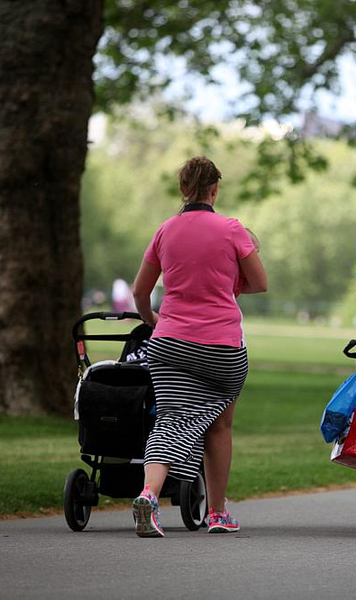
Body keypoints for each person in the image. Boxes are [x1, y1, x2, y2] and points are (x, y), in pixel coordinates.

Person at [131, 156, 267, 537]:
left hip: (169, 341)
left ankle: (149, 494)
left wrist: (151, 320)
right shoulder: (232, 229)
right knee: (219, 426)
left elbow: (141, 290)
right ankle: (218, 514)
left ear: (182, 189)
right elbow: (260, 282)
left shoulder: (166, 231)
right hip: (221, 347)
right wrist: (228, 284)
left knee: (170, 420)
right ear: (214, 189)